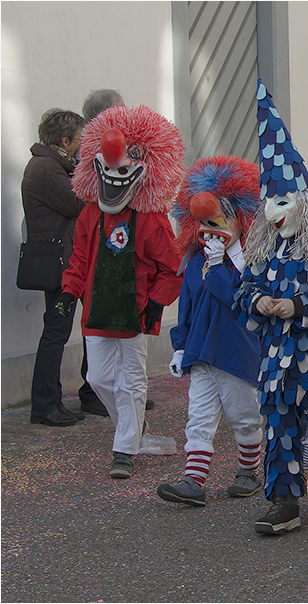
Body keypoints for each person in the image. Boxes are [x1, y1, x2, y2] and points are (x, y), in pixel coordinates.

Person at [234, 80, 308, 535]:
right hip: (276, 361)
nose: (274, 213)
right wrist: (259, 299)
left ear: (304, 201)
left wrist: (297, 305)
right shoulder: (263, 250)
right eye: (267, 204)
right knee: (279, 418)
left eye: (282, 201)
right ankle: (283, 501)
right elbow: (243, 292)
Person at [60, 105, 186, 478]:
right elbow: (80, 256)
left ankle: (124, 449)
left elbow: (173, 267)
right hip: (96, 312)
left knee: (132, 380)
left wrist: (156, 303)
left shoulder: (152, 220)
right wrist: (69, 292)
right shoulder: (90, 215)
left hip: (134, 312)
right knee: (98, 378)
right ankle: (132, 430)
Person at [156, 156, 265, 507]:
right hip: (201, 352)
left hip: (236, 353)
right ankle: (193, 481)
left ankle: (249, 471)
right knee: (198, 418)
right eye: (203, 222)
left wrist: (219, 267)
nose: (209, 228)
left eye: (217, 220)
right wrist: (179, 346)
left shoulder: (252, 263)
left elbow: (239, 299)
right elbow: (185, 308)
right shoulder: (195, 262)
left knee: (244, 418)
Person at [21, 109, 88, 427]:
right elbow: (77, 202)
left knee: (61, 330)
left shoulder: (51, 165)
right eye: (78, 139)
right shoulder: (47, 168)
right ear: (64, 141)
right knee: (56, 332)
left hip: (64, 261)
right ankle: (45, 404)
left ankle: (58, 401)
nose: (81, 145)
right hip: (60, 264)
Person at [78, 88, 127, 417]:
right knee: (98, 368)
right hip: (99, 255)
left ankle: (128, 418)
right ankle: (114, 404)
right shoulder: (90, 157)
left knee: (128, 362)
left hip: (125, 261)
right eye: (121, 110)